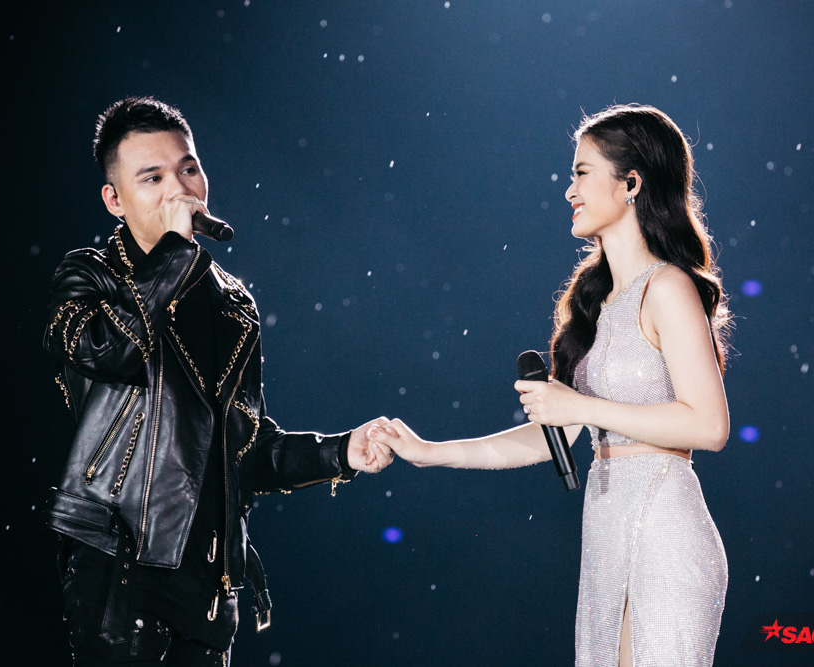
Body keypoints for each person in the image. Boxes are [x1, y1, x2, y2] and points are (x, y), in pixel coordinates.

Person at [369, 104, 731, 666]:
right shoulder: (598, 304)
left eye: (582, 173)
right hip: (606, 532)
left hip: (664, 530)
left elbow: (709, 426)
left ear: (631, 183)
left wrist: (579, 405)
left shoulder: (667, 287)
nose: (569, 191)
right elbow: (554, 434)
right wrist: (431, 452)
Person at [43, 96, 393, 666]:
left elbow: (244, 450)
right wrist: (176, 252)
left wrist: (339, 452)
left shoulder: (232, 305)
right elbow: (111, 352)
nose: (178, 189)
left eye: (188, 168)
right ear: (114, 200)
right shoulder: (90, 276)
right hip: (122, 571)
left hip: (209, 590)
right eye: (152, 177)